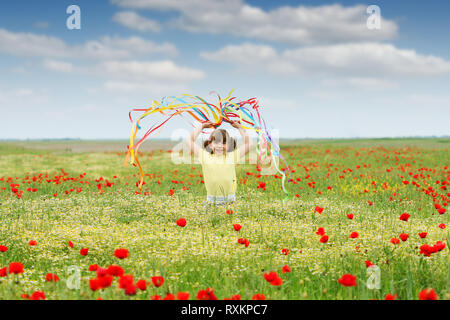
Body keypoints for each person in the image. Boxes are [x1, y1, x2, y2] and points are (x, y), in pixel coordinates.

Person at [186, 120, 251, 206]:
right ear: (210, 144)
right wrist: (201, 127)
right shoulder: (204, 156)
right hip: (212, 201)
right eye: (216, 142)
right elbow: (188, 141)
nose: (220, 146)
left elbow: (249, 143)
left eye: (224, 143)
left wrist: (240, 128)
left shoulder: (232, 156)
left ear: (229, 145)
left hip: (230, 201)